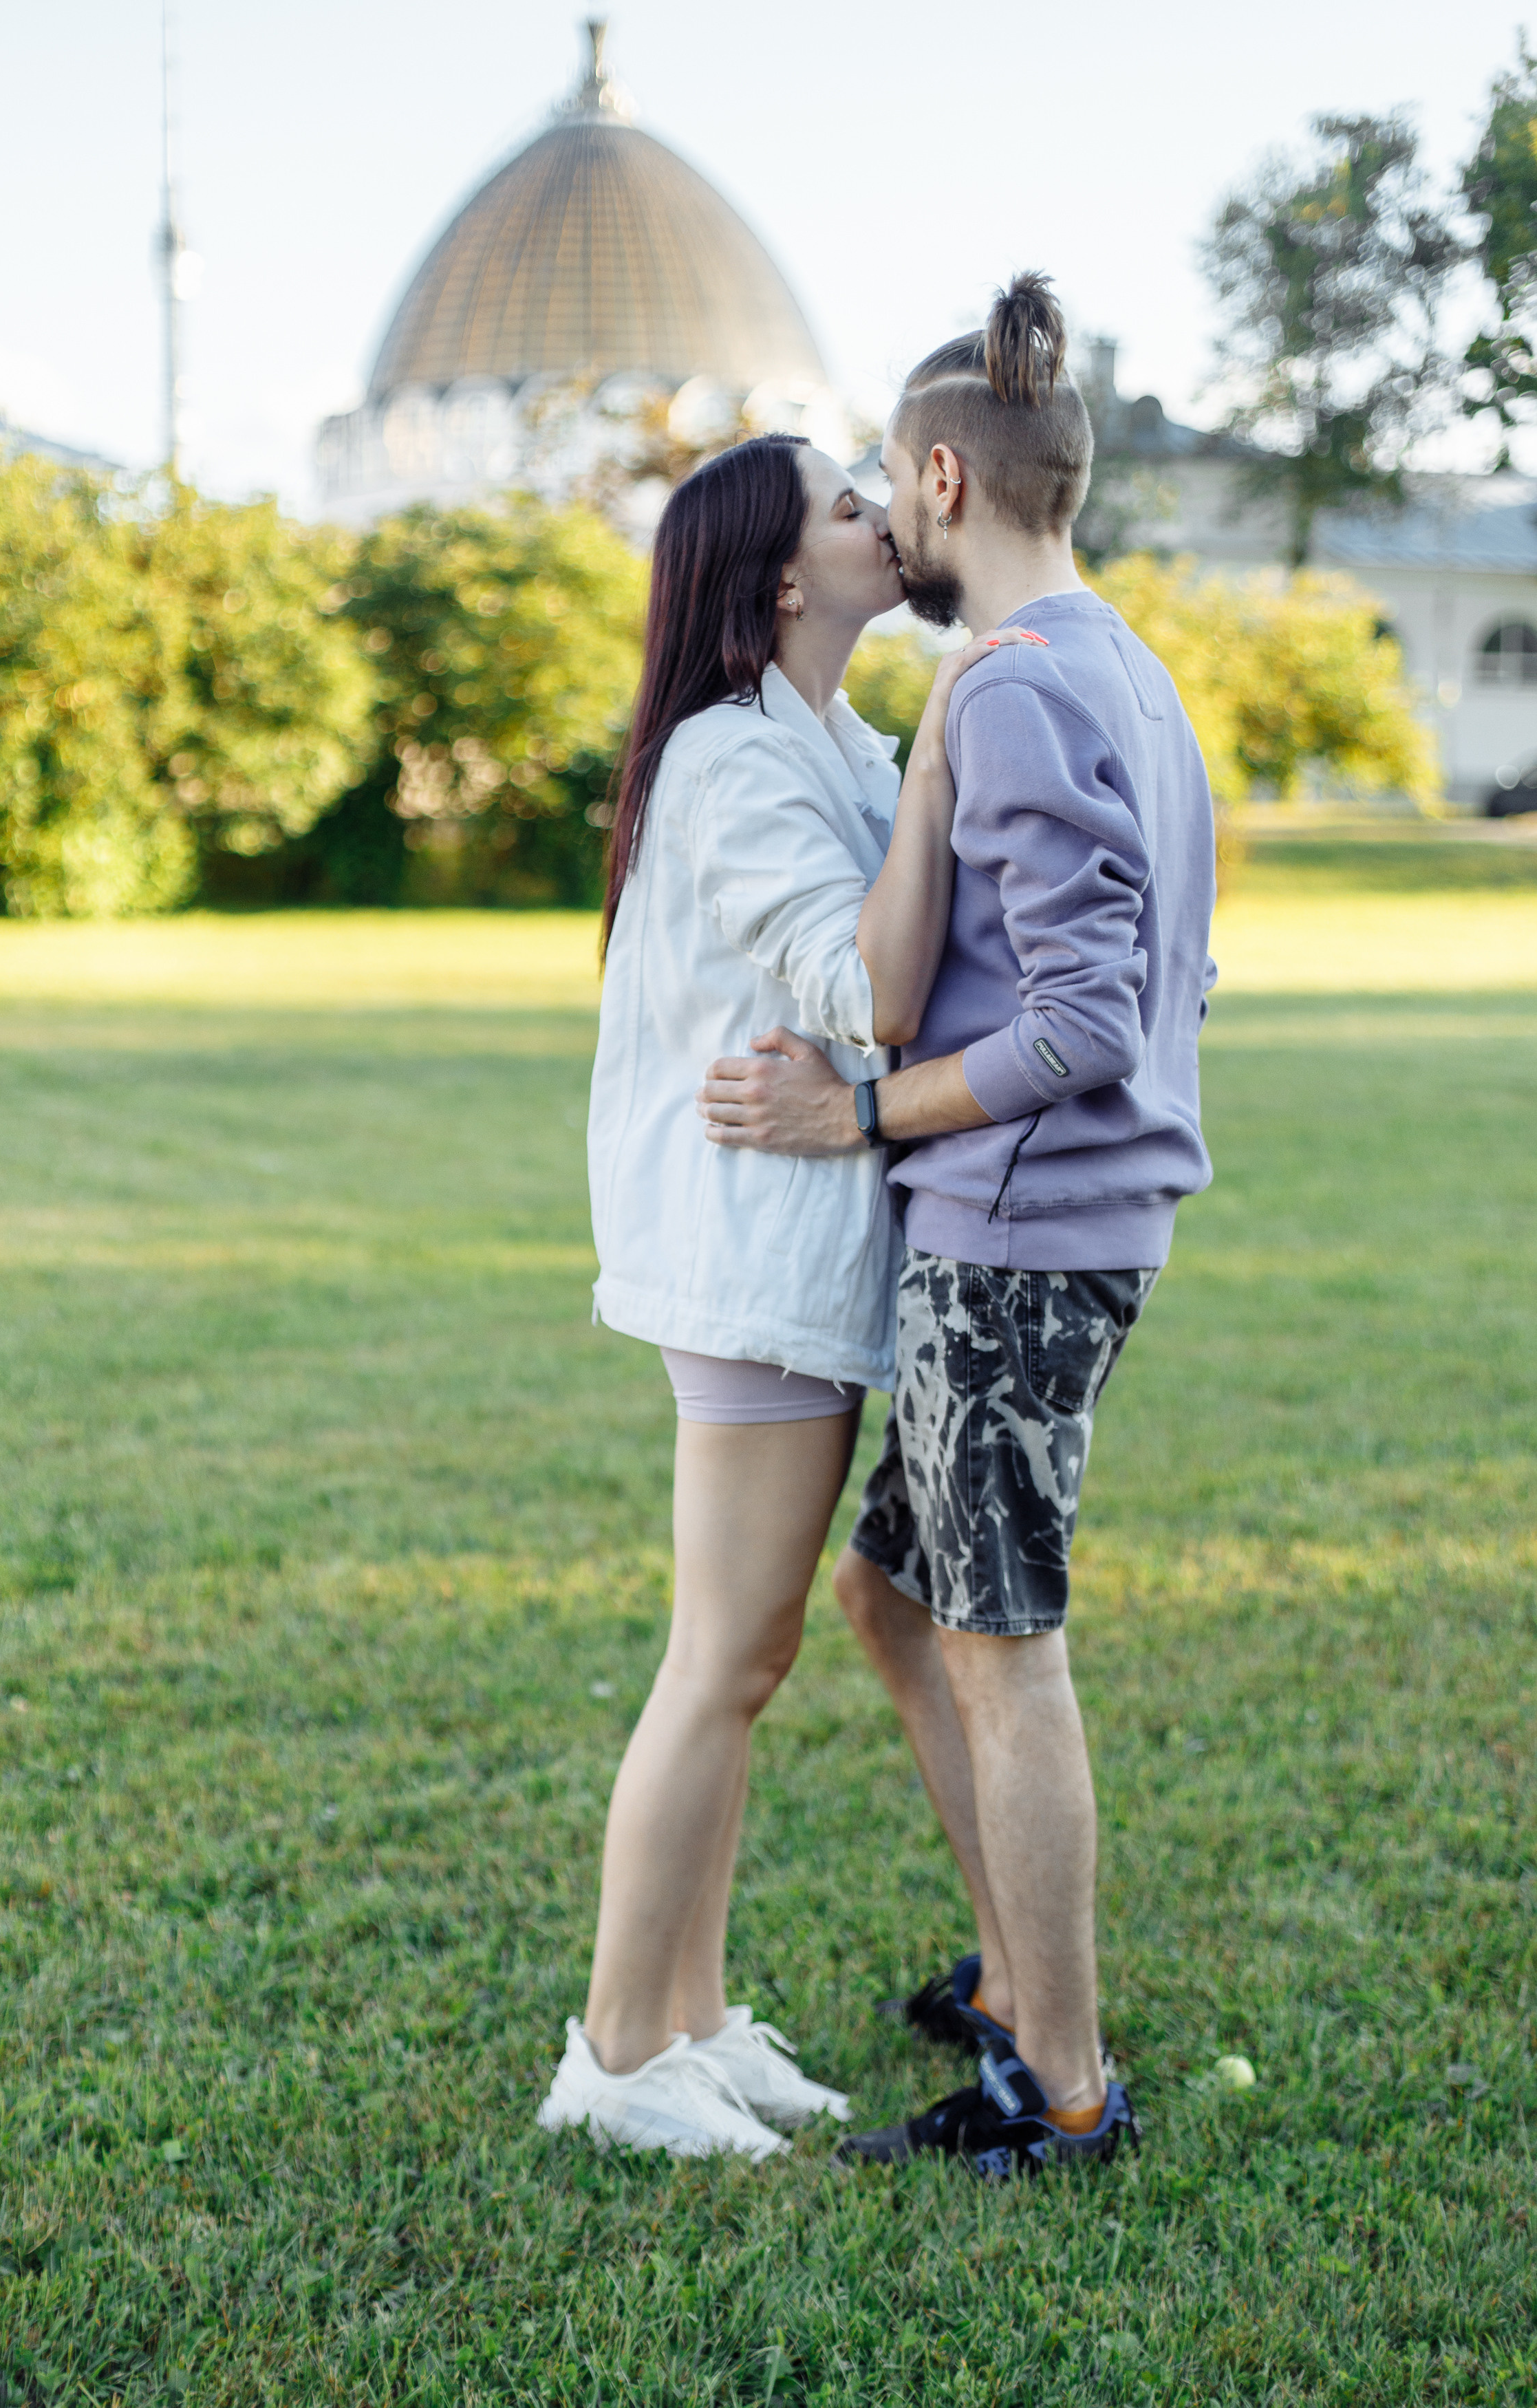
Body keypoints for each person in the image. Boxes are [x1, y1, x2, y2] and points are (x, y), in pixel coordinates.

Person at [696, 273, 1218, 2180]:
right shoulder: (1114, 663)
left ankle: (1057, 2080)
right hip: (1059, 1230)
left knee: (999, 1640)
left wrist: (857, 1112)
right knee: (891, 1595)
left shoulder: (1004, 687)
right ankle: (1011, 1968)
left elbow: (1079, 1018)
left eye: (885, 496)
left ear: (939, 478)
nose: (881, 527)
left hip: (1010, 1240)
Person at [538, 431, 1042, 2160]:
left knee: (738, 1658)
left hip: (792, 1255)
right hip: (748, 1262)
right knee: (721, 1659)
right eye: (847, 505)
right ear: (774, 580)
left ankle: (691, 2019)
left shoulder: (824, 734)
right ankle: (614, 2058)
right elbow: (869, 989)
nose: (882, 517)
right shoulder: (737, 765)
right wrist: (952, 752)